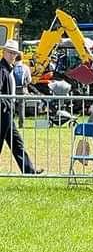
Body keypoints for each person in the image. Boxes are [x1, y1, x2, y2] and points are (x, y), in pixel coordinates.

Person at [0, 40, 42, 174]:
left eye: (14, 53)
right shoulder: (2, 70)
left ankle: (29, 170)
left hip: (7, 113)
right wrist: (7, 105)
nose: (12, 55)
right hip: (3, 113)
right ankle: (29, 170)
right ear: (4, 52)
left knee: (17, 143)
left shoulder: (7, 69)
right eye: (10, 52)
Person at [12, 53, 31, 128]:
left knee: (11, 105)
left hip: (13, 89)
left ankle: (11, 122)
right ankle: (21, 123)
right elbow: (29, 80)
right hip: (22, 89)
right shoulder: (25, 67)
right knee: (21, 107)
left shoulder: (12, 67)